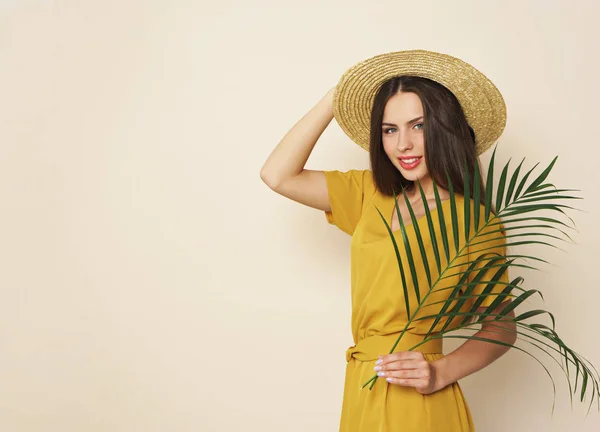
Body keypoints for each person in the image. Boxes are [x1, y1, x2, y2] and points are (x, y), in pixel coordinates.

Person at [260, 50, 517, 431]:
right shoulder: (369, 196)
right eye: (389, 129)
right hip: (362, 389)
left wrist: (440, 372)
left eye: (419, 126)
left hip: (419, 400)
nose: (403, 145)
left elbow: (502, 327)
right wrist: (338, 95)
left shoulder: (473, 221)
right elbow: (277, 175)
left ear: (445, 129)